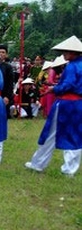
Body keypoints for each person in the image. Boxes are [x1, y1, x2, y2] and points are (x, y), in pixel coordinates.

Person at [26, 37, 82, 177]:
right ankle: (70, 169)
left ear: (72, 52)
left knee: (50, 133)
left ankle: (38, 163)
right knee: (74, 135)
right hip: (77, 104)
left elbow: (68, 85)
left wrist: (54, 89)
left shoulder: (72, 66)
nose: (63, 54)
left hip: (65, 104)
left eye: (65, 51)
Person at [0, 44, 15, 118]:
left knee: (3, 116)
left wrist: (7, 96)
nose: (1, 54)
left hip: (4, 94)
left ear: (6, 54)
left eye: (3, 52)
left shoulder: (8, 67)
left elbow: (10, 83)